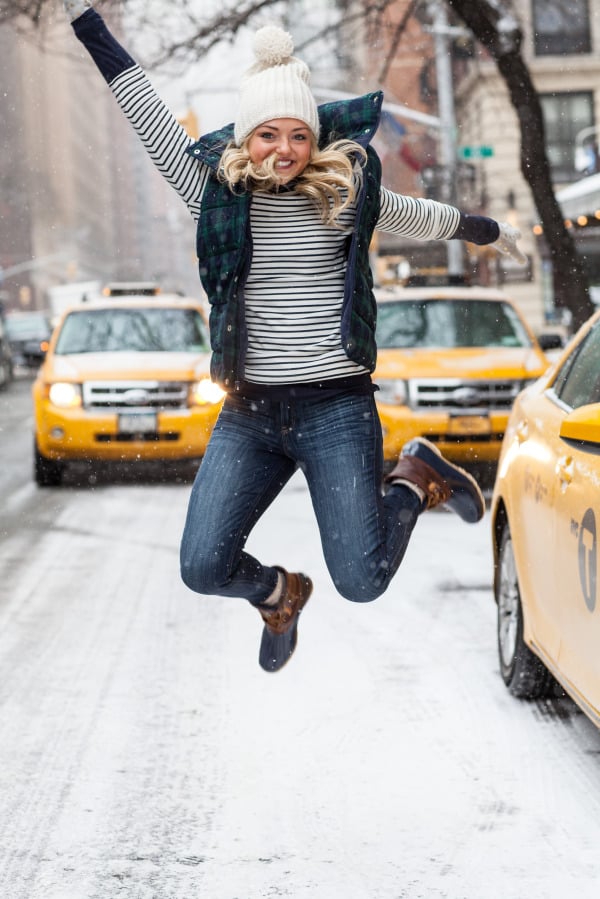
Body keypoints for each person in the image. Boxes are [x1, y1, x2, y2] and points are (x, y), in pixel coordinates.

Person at [63, 1, 526, 672]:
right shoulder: (210, 193)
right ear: (245, 139)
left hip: (335, 407)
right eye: (267, 135)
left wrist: (482, 228)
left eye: (298, 136)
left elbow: (414, 213)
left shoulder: (345, 189)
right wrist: (88, 25)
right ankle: (279, 593)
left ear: (314, 139)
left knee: (363, 579)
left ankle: (414, 476)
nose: (284, 149)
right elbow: (144, 109)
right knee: (202, 564)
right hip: (250, 412)